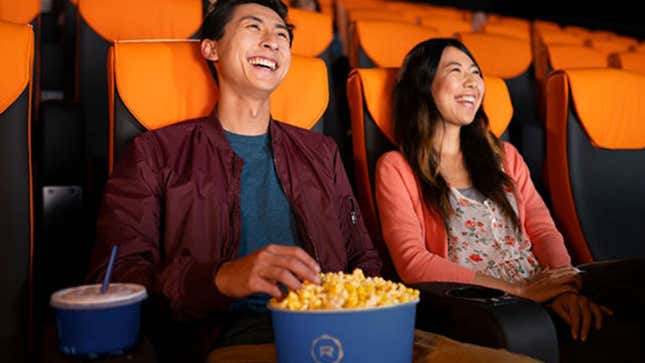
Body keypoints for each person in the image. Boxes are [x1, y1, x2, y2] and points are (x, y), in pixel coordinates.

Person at [87, 2, 536, 362]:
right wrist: (221, 278)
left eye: (282, 34)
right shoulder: (156, 153)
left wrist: (381, 313)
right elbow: (120, 280)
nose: (273, 40)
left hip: (359, 326)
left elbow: (365, 259)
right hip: (243, 337)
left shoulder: (319, 153)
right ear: (211, 49)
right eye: (254, 27)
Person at [375, 37, 644, 362]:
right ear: (423, 85)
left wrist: (565, 287)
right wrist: (522, 293)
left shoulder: (504, 155)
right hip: (485, 303)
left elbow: (543, 230)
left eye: (475, 72)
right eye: (456, 70)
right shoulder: (397, 167)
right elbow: (413, 262)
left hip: (543, 286)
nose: (472, 81)